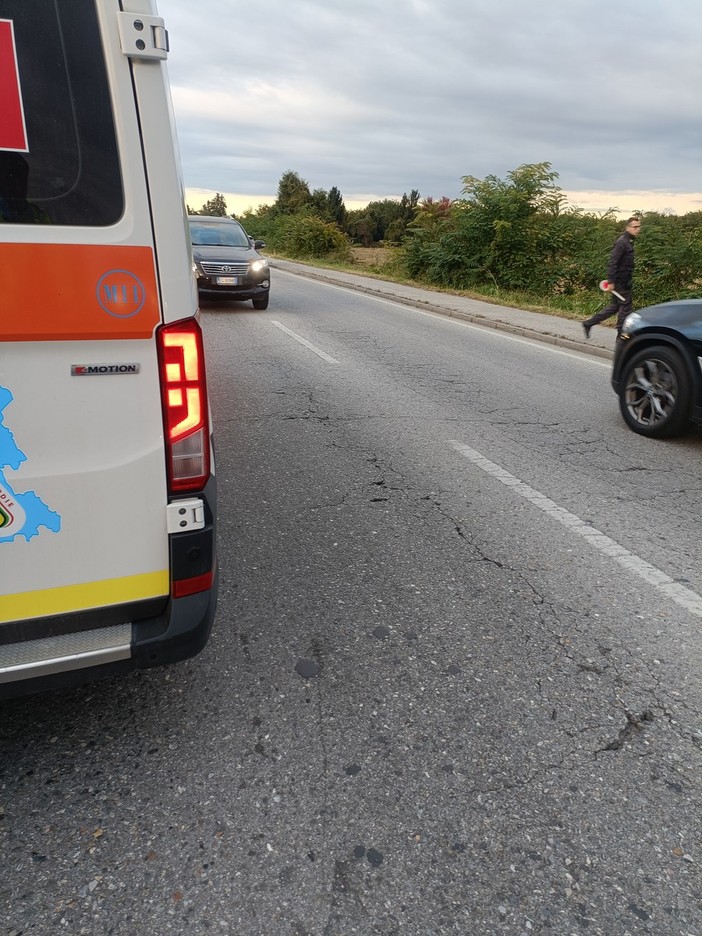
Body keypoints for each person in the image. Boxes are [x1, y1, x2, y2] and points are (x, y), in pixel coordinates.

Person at [583, 216, 641, 338]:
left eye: (639, 226)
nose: (638, 229)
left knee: (614, 307)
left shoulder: (628, 241)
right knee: (625, 308)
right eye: (635, 227)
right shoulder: (622, 242)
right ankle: (621, 338)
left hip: (623, 281)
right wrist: (611, 282)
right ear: (627, 228)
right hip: (621, 283)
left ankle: (589, 323)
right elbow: (612, 262)